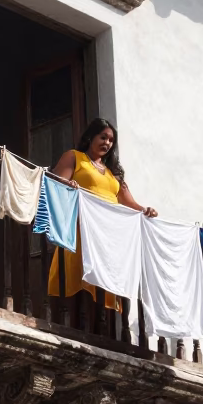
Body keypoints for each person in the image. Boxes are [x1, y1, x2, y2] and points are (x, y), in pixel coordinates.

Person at [46, 118, 156, 313]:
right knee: (77, 284)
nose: (107, 143)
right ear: (90, 137)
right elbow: (54, 183)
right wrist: (69, 187)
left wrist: (145, 210)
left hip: (108, 237)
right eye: (103, 137)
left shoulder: (113, 174)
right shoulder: (74, 157)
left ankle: (101, 329)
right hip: (81, 230)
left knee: (104, 284)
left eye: (111, 140)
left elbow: (128, 202)